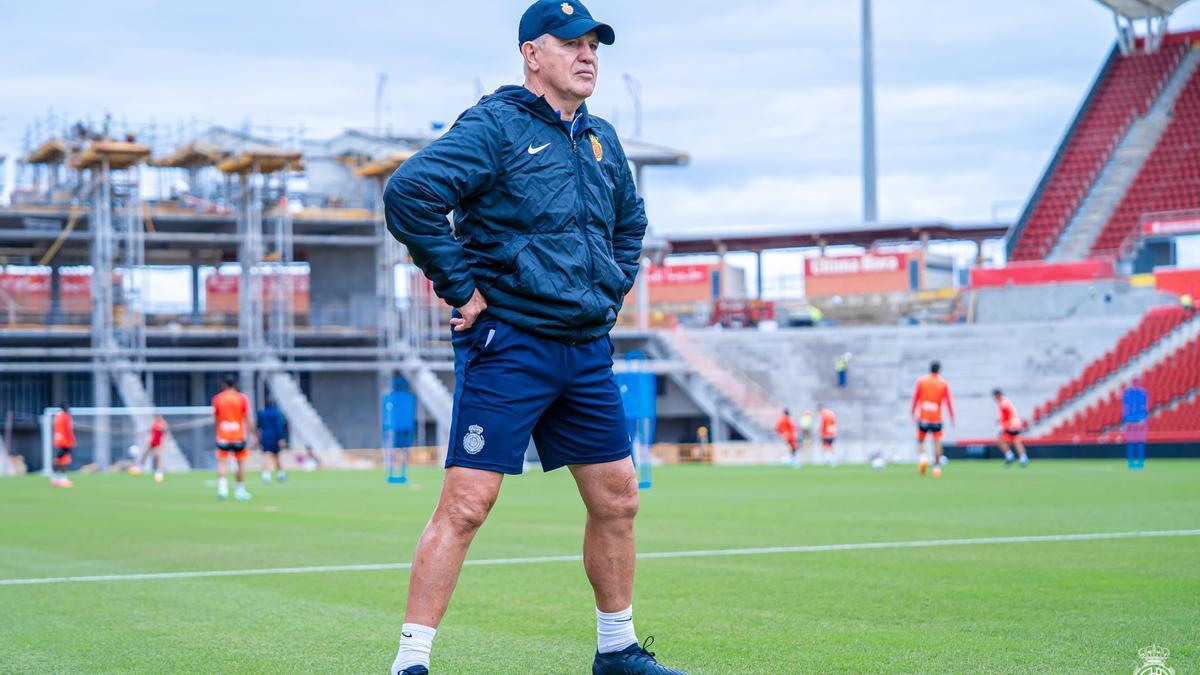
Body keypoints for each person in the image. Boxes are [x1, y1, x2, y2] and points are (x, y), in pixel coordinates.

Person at [382, 3, 683, 673]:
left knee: (619, 497)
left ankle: (617, 650)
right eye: (571, 43)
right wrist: (461, 289)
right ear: (531, 54)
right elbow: (410, 193)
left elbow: (630, 225)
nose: (587, 55)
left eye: (594, 45)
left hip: (584, 348)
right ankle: (410, 662)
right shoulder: (495, 126)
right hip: (509, 342)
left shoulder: (602, 138)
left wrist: (610, 288)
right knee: (467, 503)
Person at [212, 375, 256, 500]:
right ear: (235, 385)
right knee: (240, 463)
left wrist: (217, 431)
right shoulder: (241, 398)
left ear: (223, 385)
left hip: (223, 435)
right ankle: (240, 490)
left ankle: (222, 489)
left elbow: (215, 418)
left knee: (222, 462)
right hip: (238, 435)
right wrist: (253, 434)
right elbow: (247, 417)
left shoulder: (218, 399)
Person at [911, 361, 955, 478]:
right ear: (939, 370)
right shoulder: (943, 383)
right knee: (937, 442)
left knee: (920, 440)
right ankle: (936, 468)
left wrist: (912, 412)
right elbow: (948, 402)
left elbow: (916, 398)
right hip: (937, 418)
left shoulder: (922, 381)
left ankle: (923, 457)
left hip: (924, 417)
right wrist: (952, 417)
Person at [992, 389, 1028, 468]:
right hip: (1015, 424)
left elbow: (1006, 414)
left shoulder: (1003, 402)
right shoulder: (1005, 401)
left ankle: (1010, 456)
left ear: (997, 395)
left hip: (1010, 424)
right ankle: (1023, 458)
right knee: (1016, 441)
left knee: (1000, 440)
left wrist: (1003, 423)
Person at [257, 398, 289, 483]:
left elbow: (259, 427)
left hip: (265, 437)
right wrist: (281, 438)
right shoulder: (278, 413)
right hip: (275, 437)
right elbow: (279, 426)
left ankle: (266, 475)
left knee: (266, 455)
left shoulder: (262, 413)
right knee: (277, 456)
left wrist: (258, 438)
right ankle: (280, 474)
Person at [1122, 378, 1149, 470]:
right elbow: (1126, 408)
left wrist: (1143, 419)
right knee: (1133, 443)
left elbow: (1144, 407)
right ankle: (1133, 463)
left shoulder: (1141, 393)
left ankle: (1138, 463)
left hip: (1137, 421)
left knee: (1138, 443)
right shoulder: (1130, 393)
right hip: (1133, 421)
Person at [136, 414, 168, 482]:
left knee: (157, 456)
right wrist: (140, 433)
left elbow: (165, 431)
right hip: (152, 442)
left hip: (158, 442)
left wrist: (164, 443)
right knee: (144, 453)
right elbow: (149, 430)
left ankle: (159, 471)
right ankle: (140, 467)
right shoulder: (154, 423)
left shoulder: (163, 423)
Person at [50, 403, 75, 488]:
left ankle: (55, 479)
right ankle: (63, 480)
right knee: (64, 460)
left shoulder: (57, 417)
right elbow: (68, 430)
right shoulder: (65, 417)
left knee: (59, 459)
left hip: (58, 441)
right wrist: (72, 442)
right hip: (65, 442)